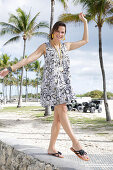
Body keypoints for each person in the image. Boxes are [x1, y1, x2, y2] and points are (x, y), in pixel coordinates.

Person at [0, 12, 89, 161]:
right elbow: (29, 59)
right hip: (52, 84)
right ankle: (76, 144)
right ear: (53, 32)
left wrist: (84, 22)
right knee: (63, 110)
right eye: (58, 31)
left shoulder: (66, 46)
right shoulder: (45, 47)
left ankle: (51, 147)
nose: (60, 34)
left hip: (64, 83)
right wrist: (10, 69)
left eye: (63, 32)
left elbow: (85, 40)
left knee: (58, 119)